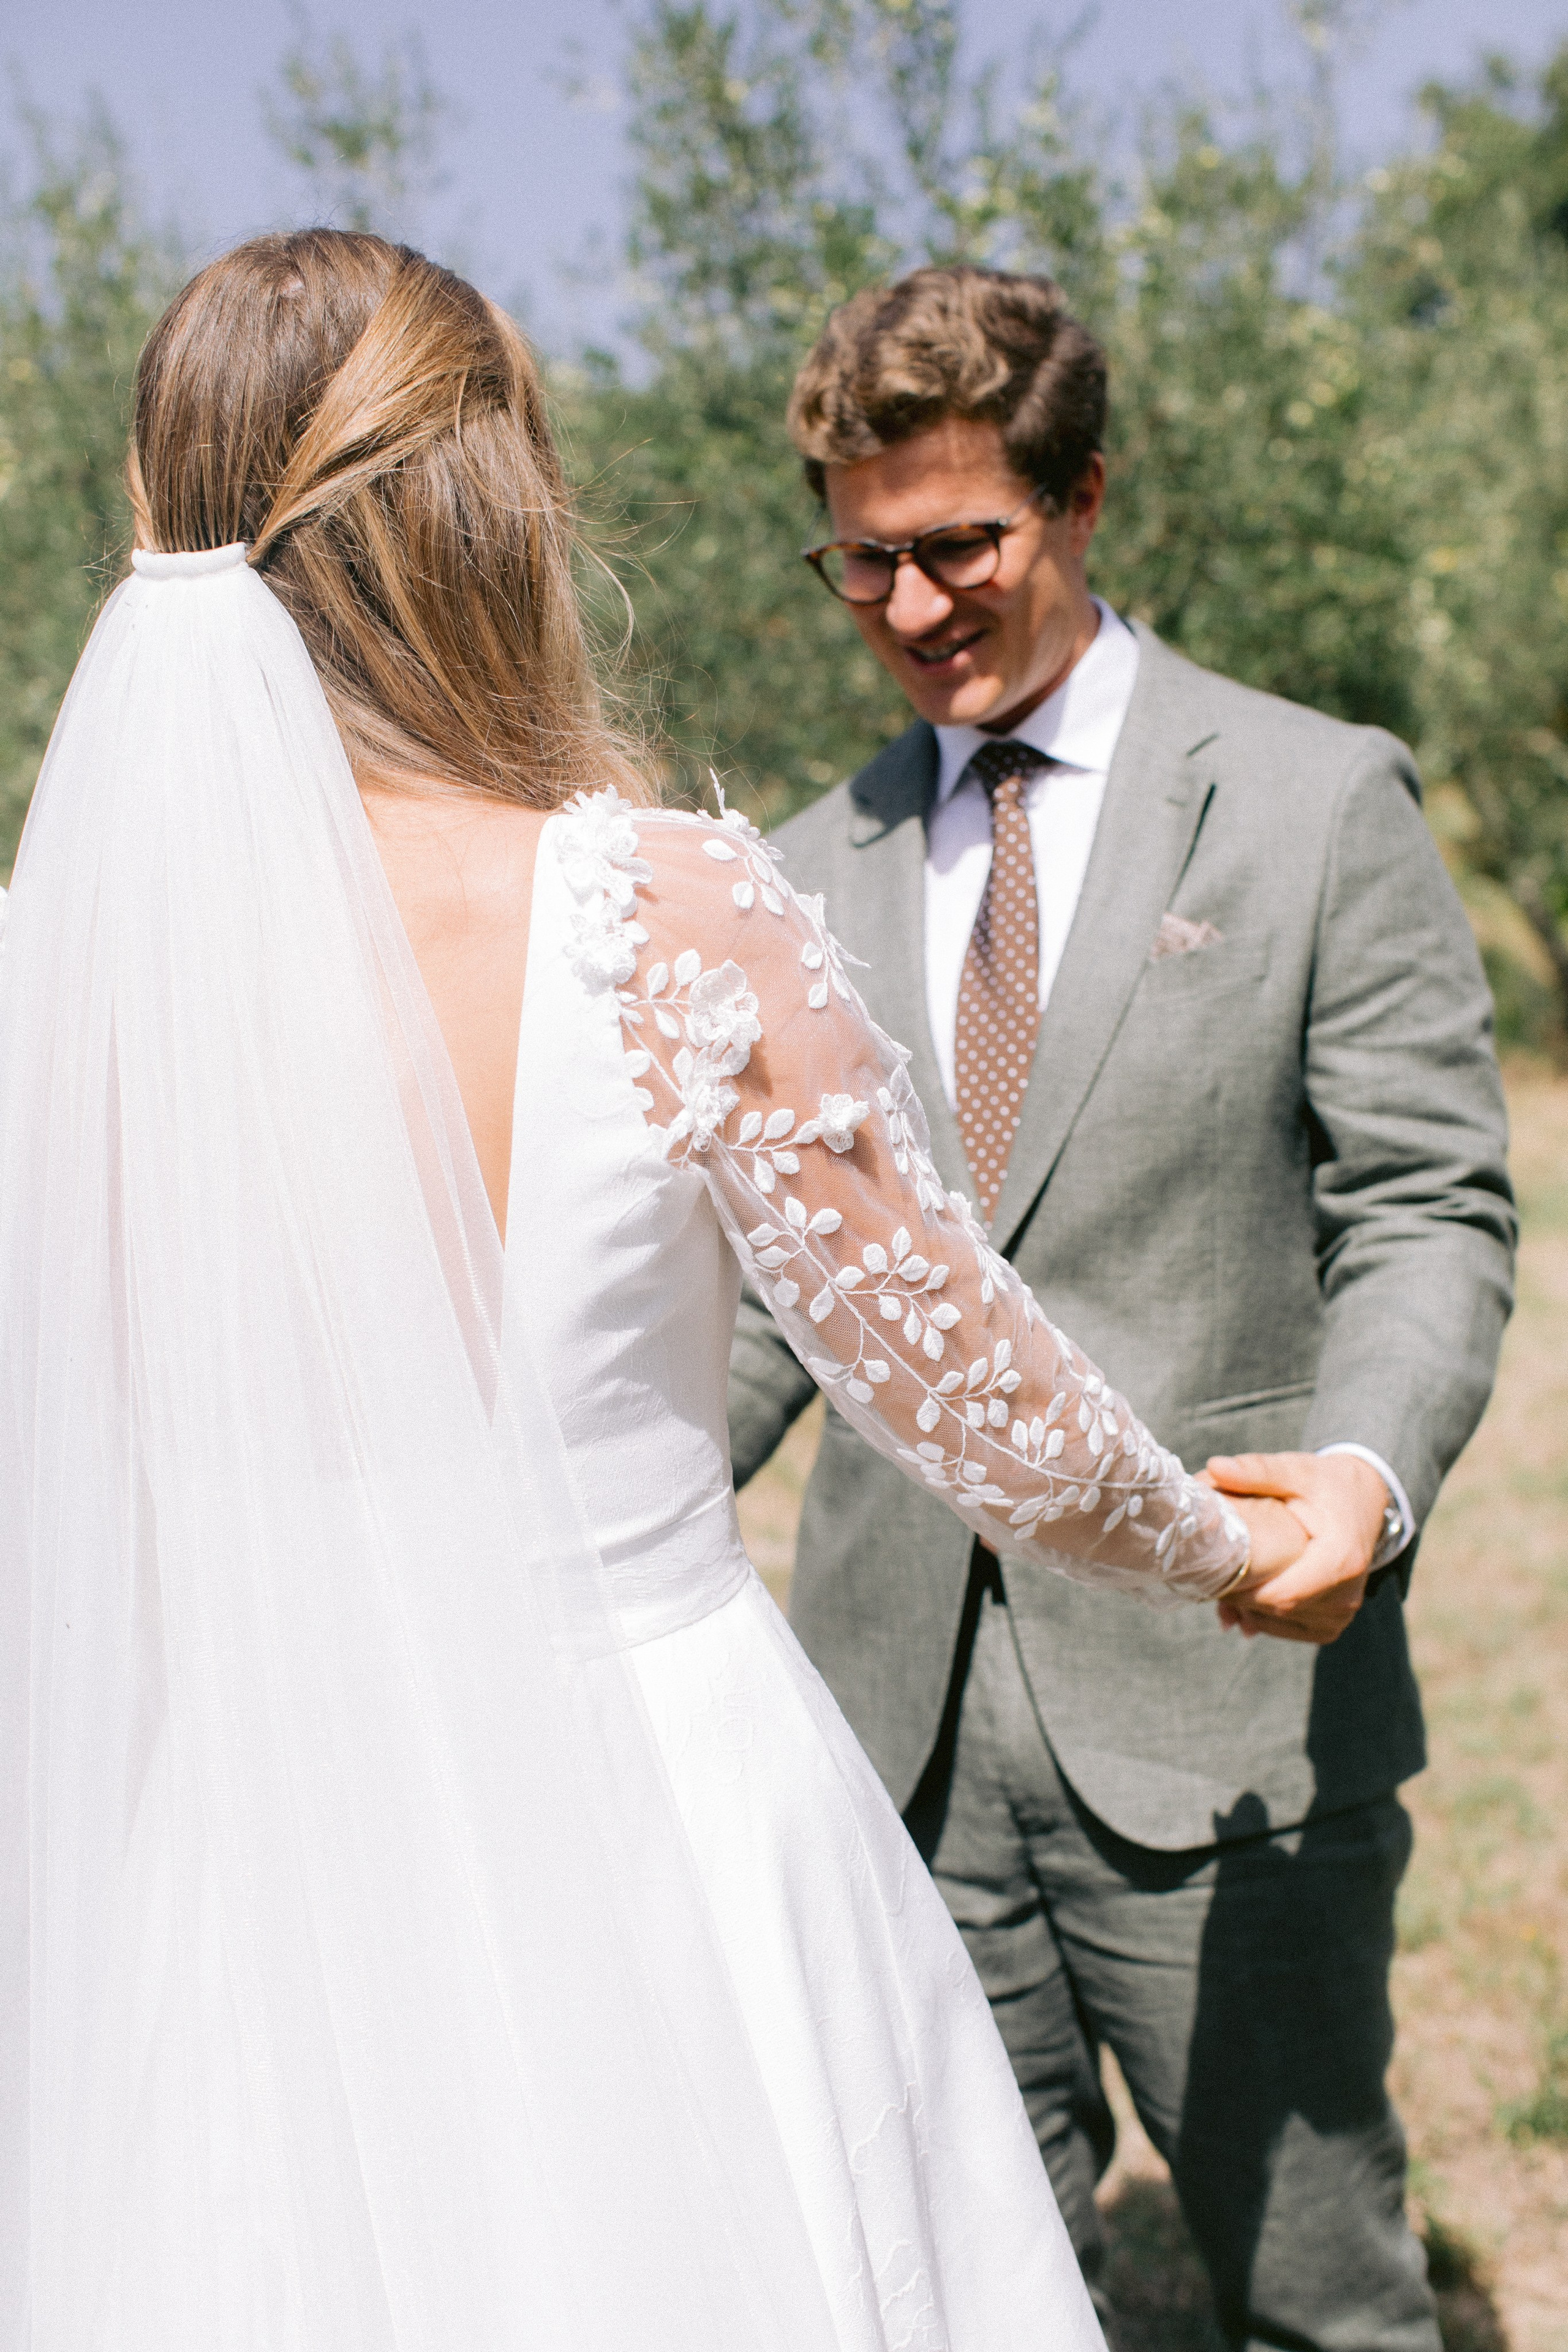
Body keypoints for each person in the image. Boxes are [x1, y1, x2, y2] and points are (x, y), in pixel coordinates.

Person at [0, 232, 1310, 2351]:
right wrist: (1227, 1547)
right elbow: (973, 1395)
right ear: (477, 500)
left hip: (253, 1856)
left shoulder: (57, 980)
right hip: (661, 1822)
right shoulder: (653, 908)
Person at [727, 264, 1517, 2350]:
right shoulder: (801, 872)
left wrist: (1363, 1474)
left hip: (1226, 1709)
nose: (910, 609)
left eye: (960, 545)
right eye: (862, 561)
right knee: (949, 2302)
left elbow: (1430, 1203)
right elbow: (777, 1299)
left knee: (1318, 2299)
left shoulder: (1314, 796)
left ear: (1085, 502)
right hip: (889, 1728)